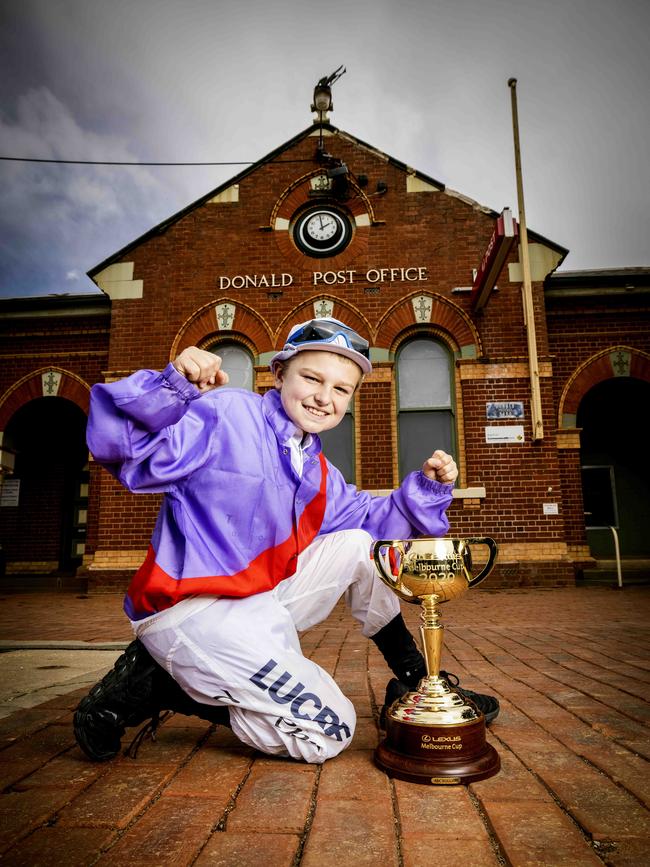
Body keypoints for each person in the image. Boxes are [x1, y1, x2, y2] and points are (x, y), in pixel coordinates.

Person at [74, 317, 498, 763]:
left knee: (358, 547)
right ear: (278, 375)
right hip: (192, 611)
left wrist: (427, 489)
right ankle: (155, 684)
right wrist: (172, 386)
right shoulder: (226, 414)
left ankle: (416, 678)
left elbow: (373, 527)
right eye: (312, 378)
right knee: (330, 732)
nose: (324, 397)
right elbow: (124, 447)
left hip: (257, 599)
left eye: (341, 389)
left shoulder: (315, 468)